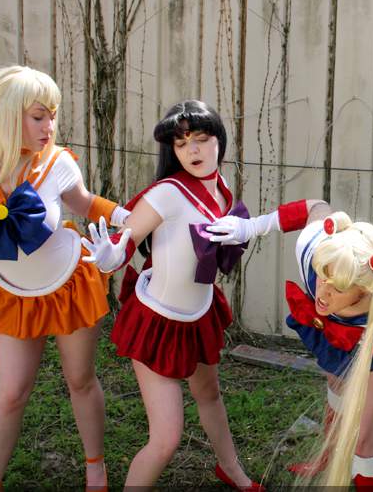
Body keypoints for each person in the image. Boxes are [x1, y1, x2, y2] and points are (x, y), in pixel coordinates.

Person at [0, 65, 129, 490]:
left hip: (69, 281)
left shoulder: (57, 161)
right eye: (39, 116)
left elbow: (85, 203)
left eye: (53, 116)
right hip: (11, 290)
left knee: (80, 379)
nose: (50, 127)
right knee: (11, 393)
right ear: (8, 114)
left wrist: (131, 221)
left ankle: (95, 467)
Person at [81, 100, 262, 491]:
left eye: (201, 139)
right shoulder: (167, 192)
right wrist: (113, 256)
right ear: (172, 151)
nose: (192, 151)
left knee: (209, 394)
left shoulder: (222, 190)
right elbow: (127, 238)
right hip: (158, 321)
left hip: (199, 312)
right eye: (181, 144)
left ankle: (231, 469)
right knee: (165, 440)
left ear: (220, 140)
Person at [206, 205, 373, 490]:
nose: (323, 293)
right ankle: (327, 458)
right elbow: (316, 207)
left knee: (361, 438)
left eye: (338, 288)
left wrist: (369, 341)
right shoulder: (312, 248)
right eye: (322, 277)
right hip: (336, 327)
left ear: (363, 291)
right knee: (337, 390)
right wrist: (251, 227)